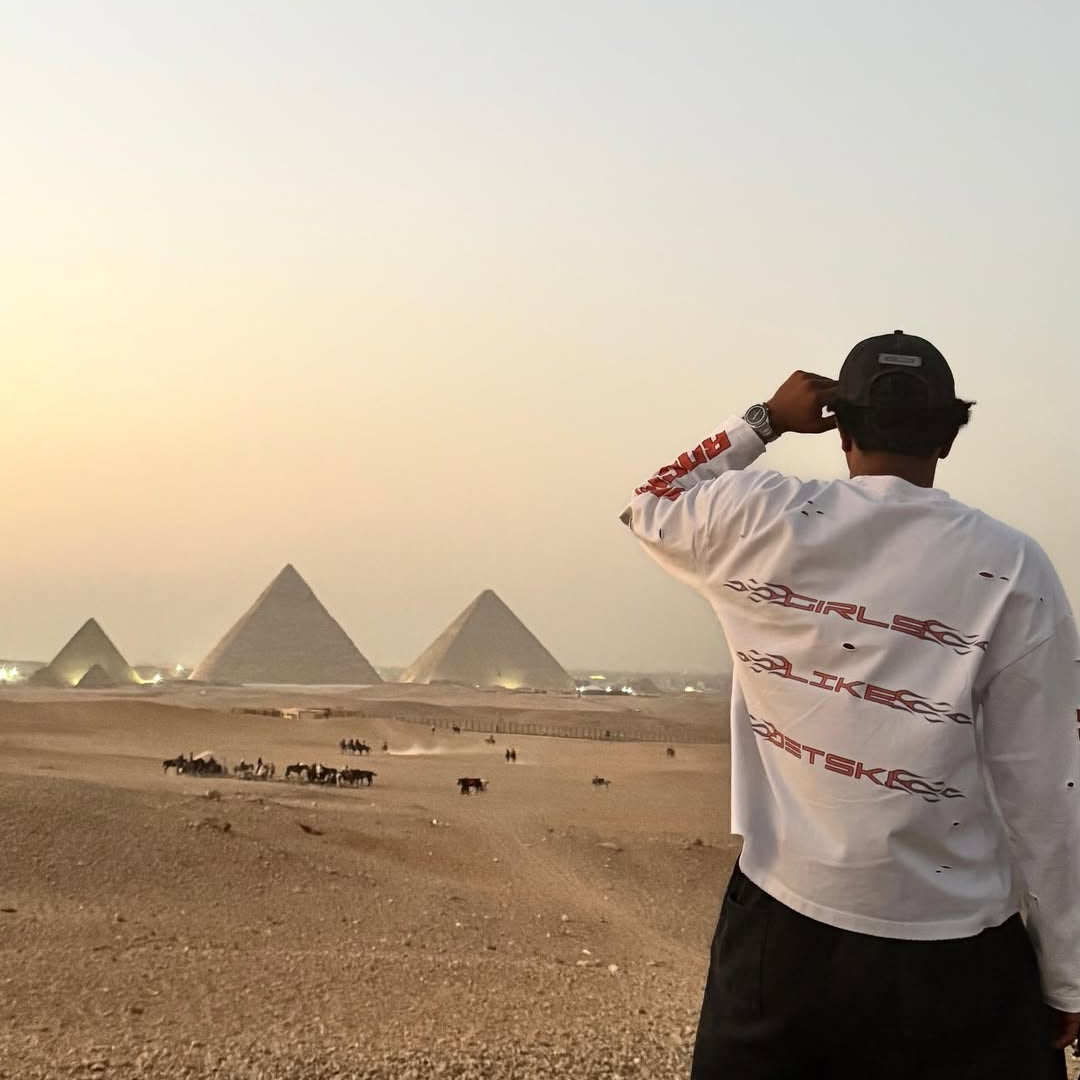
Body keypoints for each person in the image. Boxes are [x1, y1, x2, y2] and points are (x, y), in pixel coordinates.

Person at [621, 331, 1080, 1079]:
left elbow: (649, 503)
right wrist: (1067, 974)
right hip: (956, 951)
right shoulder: (1014, 567)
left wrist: (765, 420)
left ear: (842, 431)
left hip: (782, 933)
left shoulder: (756, 518)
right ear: (948, 437)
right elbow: (1051, 787)